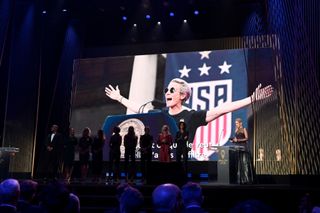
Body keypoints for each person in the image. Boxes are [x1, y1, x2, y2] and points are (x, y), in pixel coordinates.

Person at [105, 78, 273, 145]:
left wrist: (251, 99)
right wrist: (120, 98)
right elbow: (139, 110)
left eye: (172, 90)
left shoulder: (191, 116)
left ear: (183, 95)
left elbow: (221, 109)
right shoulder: (160, 113)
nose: (167, 93)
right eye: (166, 90)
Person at [230, 118, 254, 184]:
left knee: (244, 163)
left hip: (243, 148)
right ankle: (240, 179)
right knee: (239, 163)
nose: (236, 124)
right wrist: (233, 141)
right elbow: (236, 139)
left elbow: (247, 138)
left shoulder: (244, 129)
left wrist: (238, 140)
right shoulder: (236, 130)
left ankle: (246, 179)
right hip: (237, 147)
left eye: (237, 123)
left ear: (240, 123)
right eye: (235, 123)